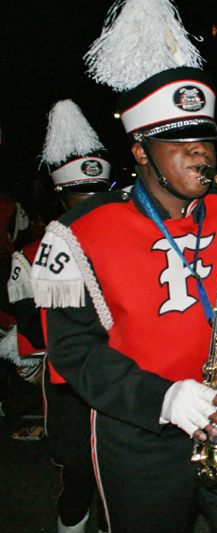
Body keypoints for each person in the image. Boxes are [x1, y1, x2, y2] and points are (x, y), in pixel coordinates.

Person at [31, 3, 217, 532]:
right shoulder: (76, 234)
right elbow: (73, 353)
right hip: (138, 442)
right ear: (142, 152)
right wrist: (163, 396)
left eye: (205, 138)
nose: (200, 154)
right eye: (178, 140)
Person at [8, 99, 114, 533]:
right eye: (79, 198)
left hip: (124, 371)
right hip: (69, 383)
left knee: (120, 473)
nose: (88, 208)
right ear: (62, 197)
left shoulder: (131, 242)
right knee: (78, 472)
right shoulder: (31, 255)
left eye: (96, 197)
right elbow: (31, 323)